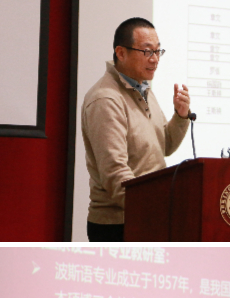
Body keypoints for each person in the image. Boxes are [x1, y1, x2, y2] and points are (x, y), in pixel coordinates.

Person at [81, 17, 190, 241]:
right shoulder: (106, 99)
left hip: (147, 215)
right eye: (147, 51)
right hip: (119, 225)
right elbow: (115, 175)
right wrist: (160, 206)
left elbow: (165, 146)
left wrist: (180, 116)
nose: (155, 59)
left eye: (158, 51)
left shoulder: (142, 89)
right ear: (121, 53)